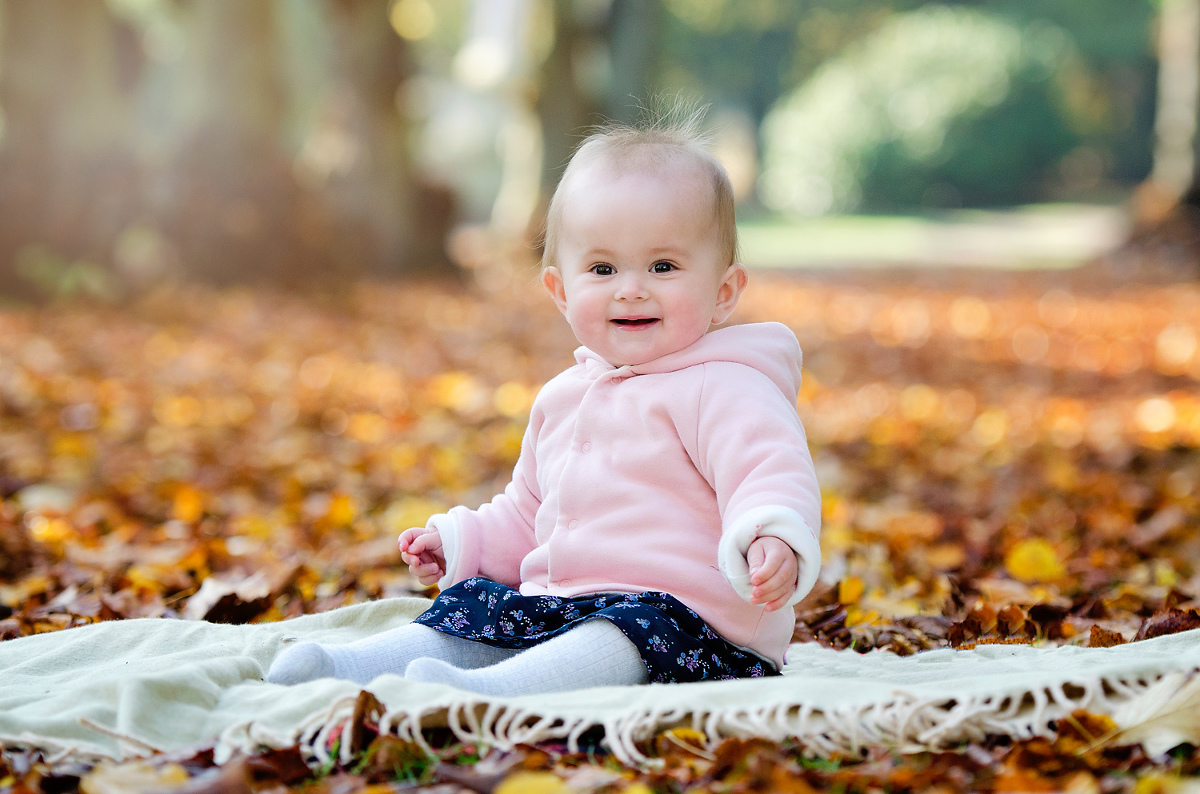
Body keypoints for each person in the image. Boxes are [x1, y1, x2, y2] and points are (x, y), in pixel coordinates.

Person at [267, 106, 822, 695]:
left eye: (664, 266)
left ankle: (493, 695)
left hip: (691, 629)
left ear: (724, 291)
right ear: (560, 290)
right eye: (603, 268)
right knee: (480, 610)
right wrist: (466, 542)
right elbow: (530, 512)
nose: (631, 287)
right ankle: (344, 669)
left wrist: (772, 536)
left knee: (615, 637)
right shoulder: (563, 399)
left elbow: (770, 470)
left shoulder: (727, 386)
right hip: (564, 603)